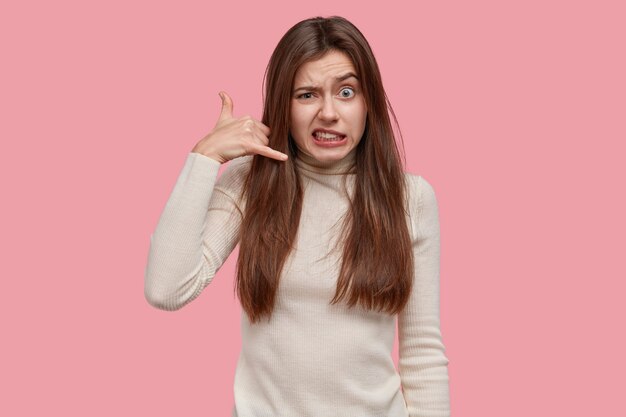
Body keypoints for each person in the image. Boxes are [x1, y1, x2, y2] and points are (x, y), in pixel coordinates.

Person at [144, 15, 450, 417]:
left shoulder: (410, 199)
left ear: (368, 101)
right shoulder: (250, 184)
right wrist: (205, 158)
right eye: (306, 95)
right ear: (283, 106)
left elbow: (423, 353)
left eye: (346, 92)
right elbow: (167, 288)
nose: (328, 112)